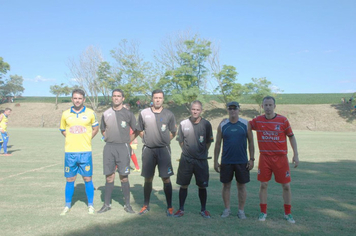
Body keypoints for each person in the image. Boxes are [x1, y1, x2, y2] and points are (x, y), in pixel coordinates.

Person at [249, 96, 299, 223]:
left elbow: (291, 137)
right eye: (266, 105)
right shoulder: (258, 121)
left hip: (281, 158)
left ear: (274, 106)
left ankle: (288, 213)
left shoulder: (283, 120)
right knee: (263, 184)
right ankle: (263, 212)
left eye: (270, 105)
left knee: (286, 186)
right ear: (262, 106)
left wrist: (296, 154)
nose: (268, 107)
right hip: (265, 158)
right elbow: (245, 125)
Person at [136, 89, 177, 216]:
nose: (157, 100)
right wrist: (147, 139)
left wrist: (164, 141)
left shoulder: (169, 114)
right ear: (152, 99)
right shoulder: (144, 113)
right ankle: (145, 205)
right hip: (148, 150)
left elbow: (173, 132)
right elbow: (140, 130)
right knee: (148, 178)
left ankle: (169, 206)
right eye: (155, 97)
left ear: (163, 99)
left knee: (166, 178)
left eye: (160, 97)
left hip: (163, 150)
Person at [59, 89, 99, 216]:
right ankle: (67, 205)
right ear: (72, 99)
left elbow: (95, 128)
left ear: (84, 99)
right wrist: (72, 138)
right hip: (70, 152)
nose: (77, 100)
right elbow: (62, 130)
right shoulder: (65, 114)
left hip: (85, 152)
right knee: (70, 178)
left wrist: (87, 138)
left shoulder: (90, 113)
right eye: (75, 98)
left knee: (87, 178)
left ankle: (91, 205)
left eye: (80, 98)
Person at [98, 90, 137, 214]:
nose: (116, 98)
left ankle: (127, 205)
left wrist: (126, 141)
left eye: (118, 96)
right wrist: (110, 138)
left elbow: (136, 130)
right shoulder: (106, 113)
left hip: (123, 147)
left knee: (124, 176)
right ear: (112, 98)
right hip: (109, 147)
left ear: (123, 98)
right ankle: (106, 204)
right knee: (109, 176)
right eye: (114, 96)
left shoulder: (128, 114)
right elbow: (103, 130)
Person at [214, 102, 255, 219]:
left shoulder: (245, 124)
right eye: (230, 109)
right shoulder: (222, 125)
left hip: (242, 161)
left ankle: (241, 211)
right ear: (227, 110)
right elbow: (217, 144)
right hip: (226, 161)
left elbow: (251, 142)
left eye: (235, 108)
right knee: (226, 186)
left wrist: (251, 159)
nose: (232, 111)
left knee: (241, 186)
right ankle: (227, 209)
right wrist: (215, 161)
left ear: (238, 110)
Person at [173, 100, 214, 219]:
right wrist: (187, 152)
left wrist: (201, 152)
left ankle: (203, 210)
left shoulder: (206, 124)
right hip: (186, 160)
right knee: (183, 185)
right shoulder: (183, 124)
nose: (195, 111)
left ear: (201, 111)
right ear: (190, 110)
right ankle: (181, 209)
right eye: (193, 109)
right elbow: (181, 141)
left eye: (197, 109)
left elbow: (208, 142)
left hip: (201, 160)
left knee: (202, 186)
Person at [123, 103, 140, 172]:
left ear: (127, 109)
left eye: (124, 108)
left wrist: (135, 138)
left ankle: (137, 167)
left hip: (128, 136)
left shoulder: (130, 116)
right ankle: (137, 167)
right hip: (123, 136)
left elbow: (133, 128)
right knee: (129, 151)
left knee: (125, 151)